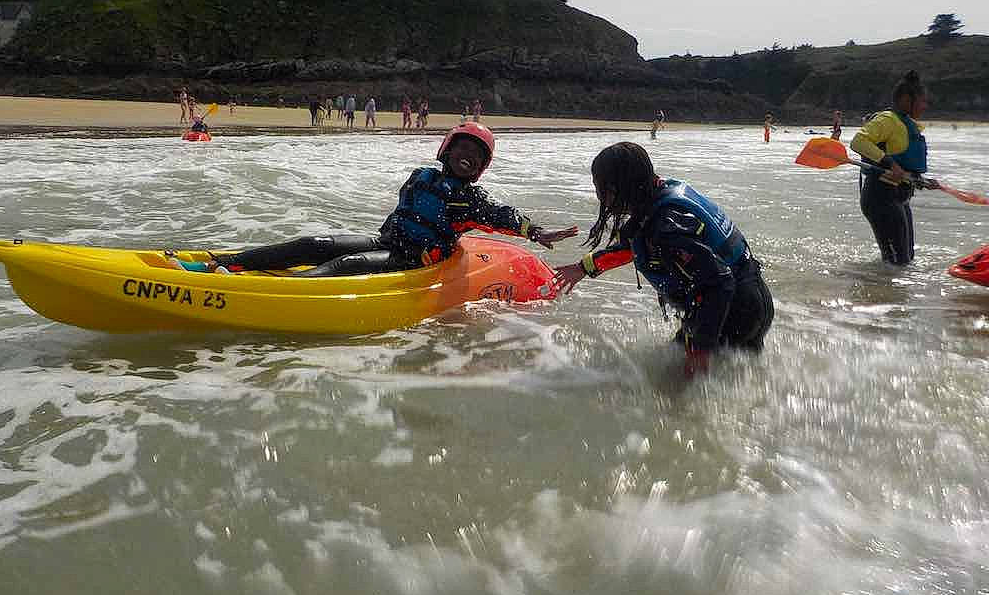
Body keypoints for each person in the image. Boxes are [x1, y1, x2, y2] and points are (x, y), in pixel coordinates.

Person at [174, 123, 579, 277]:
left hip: (414, 261)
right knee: (314, 244)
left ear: (481, 167)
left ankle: (267, 291)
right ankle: (219, 263)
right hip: (388, 241)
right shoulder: (423, 176)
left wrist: (535, 231)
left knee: (345, 264)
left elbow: (500, 215)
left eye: (477, 154)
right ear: (447, 149)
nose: (467, 156)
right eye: (462, 148)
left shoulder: (471, 201)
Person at [553, 142, 774, 375]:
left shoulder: (666, 228)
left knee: (678, 392)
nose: (600, 196)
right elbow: (633, 247)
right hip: (751, 301)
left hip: (735, 311)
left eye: (600, 188)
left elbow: (719, 283)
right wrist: (582, 268)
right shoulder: (658, 196)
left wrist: (699, 353)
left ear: (617, 188)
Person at [849, 70, 937, 266]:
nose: (925, 106)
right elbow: (858, 141)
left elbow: (905, 165)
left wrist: (922, 181)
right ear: (907, 99)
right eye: (922, 101)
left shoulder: (906, 124)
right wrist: (890, 164)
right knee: (897, 263)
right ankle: (880, 294)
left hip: (900, 198)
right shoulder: (887, 120)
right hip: (880, 198)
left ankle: (890, 292)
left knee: (907, 259)